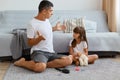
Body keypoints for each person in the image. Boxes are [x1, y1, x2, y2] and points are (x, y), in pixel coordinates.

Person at [14, 0, 73, 73]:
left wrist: (55, 28)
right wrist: (39, 39)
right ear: (44, 11)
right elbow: (29, 42)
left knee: (68, 60)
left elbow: (46, 31)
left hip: (50, 52)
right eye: (51, 11)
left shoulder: (46, 20)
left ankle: (43, 64)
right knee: (40, 68)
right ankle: (22, 62)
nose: (52, 13)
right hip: (38, 52)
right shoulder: (32, 23)